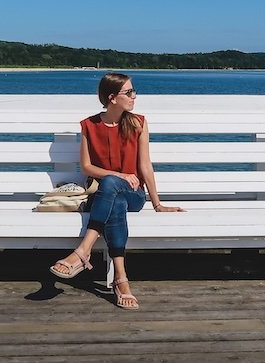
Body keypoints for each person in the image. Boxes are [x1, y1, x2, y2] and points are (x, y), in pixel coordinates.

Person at [50, 72, 184, 309]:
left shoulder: (138, 123)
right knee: (114, 195)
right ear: (112, 98)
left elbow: (144, 165)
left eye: (134, 91)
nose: (134, 96)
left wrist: (157, 203)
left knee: (115, 189)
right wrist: (119, 174)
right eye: (129, 92)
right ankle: (121, 279)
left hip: (134, 195)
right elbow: (87, 167)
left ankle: (83, 251)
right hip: (102, 197)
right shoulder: (89, 125)